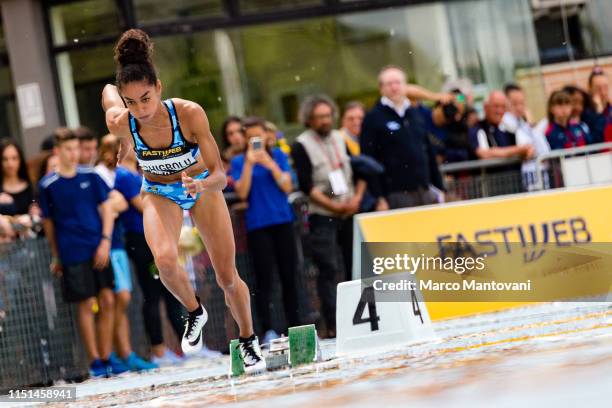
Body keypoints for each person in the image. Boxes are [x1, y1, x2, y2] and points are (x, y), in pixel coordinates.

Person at [101, 29, 265, 373]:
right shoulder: (123, 122)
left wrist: (202, 186)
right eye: (131, 102)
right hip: (160, 192)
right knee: (163, 261)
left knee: (227, 278)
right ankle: (194, 311)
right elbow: (107, 92)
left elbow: (220, 175)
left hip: (201, 186)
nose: (141, 110)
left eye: (146, 98)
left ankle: (248, 338)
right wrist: (128, 141)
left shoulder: (189, 114)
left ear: (159, 87)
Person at [38, 129, 117, 377]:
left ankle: (107, 357)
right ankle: (94, 361)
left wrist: (105, 241)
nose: (73, 154)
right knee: (85, 304)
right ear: (57, 151)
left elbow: (107, 210)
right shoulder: (48, 185)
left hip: (98, 246)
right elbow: (49, 225)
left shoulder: (91, 176)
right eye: (68, 149)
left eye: (76, 149)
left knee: (108, 300)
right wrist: (56, 255)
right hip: (71, 251)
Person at [291, 95, 363, 338]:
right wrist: (334, 207)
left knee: (355, 264)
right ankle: (334, 323)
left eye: (327, 115)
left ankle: (360, 316)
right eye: (319, 117)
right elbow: (306, 187)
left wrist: (355, 200)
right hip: (323, 214)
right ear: (309, 120)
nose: (324, 120)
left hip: (349, 209)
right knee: (328, 268)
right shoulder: (301, 144)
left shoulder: (339, 139)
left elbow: (354, 171)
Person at [114, 148, 187, 366]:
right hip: (140, 239)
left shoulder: (137, 172)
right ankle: (159, 350)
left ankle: (183, 347)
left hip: (152, 235)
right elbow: (145, 204)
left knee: (169, 291)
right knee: (153, 293)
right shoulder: (123, 175)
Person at [231, 116, 300, 344]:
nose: (254, 141)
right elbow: (241, 192)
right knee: (264, 280)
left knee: (289, 276)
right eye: (249, 137)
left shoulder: (278, 156)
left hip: (282, 220)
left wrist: (269, 164)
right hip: (258, 225)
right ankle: (268, 328)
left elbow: (287, 185)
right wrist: (251, 163)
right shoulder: (240, 161)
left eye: (257, 136)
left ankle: (296, 325)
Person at [95, 134, 158, 372]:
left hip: (118, 243)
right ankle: (109, 355)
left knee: (122, 298)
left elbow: (119, 204)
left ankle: (124, 353)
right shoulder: (109, 175)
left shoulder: (121, 175)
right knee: (113, 300)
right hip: (111, 244)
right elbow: (116, 204)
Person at [360, 66, 445, 210]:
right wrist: (379, 198)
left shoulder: (416, 114)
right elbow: (369, 160)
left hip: (425, 190)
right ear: (381, 88)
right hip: (395, 194)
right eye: (389, 84)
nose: (394, 87)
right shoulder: (373, 118)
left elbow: (429, 152)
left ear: (405, 86)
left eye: (398, 83)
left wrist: (439, 187)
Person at [468, 90, 535, 160]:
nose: (499, 111)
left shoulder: (509, 129)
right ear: (485, 107)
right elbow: (484, 153)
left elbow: (527, 148)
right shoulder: (476, 129)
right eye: (496, 106)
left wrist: (527, 151)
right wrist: (518, 150)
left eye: (503, 107)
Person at [0, 139, 39, 236]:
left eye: (14, 158)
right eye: (5, 159)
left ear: (20, 159)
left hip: (32, 244)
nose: (10, 164)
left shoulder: (31, 187)